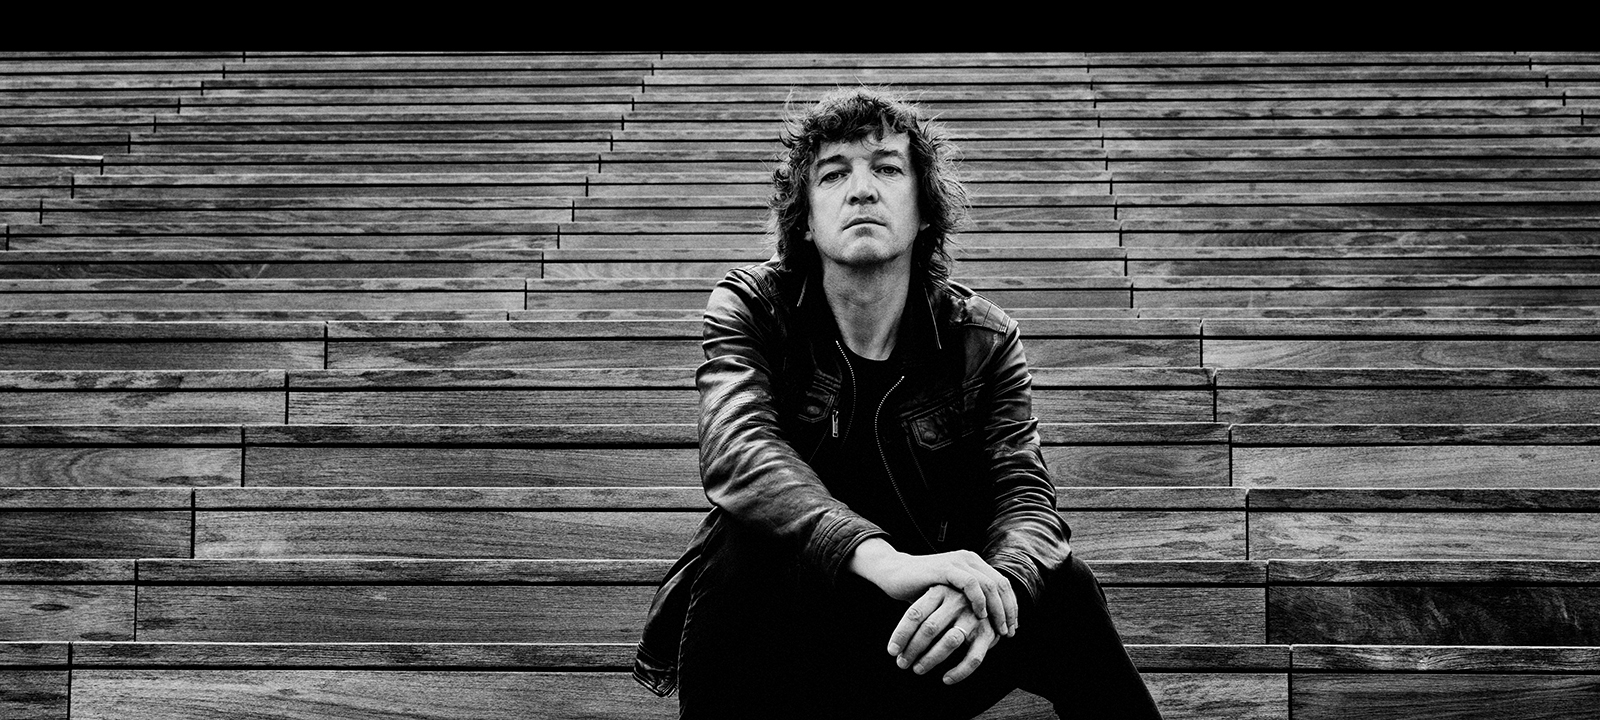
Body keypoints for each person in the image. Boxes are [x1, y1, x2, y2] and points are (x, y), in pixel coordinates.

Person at [635, 87, 1162, 719]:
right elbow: (739, 450)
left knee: (1058, 584)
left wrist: (994, 589)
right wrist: (879, 560)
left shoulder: (982, 340)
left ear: (923, 212)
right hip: (781, 645)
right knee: (747, 541)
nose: (861, 190)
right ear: (805, 220)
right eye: (834, 174)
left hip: (921, 639)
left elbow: (1024, 498)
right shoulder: (755, 306)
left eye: (886, 168)